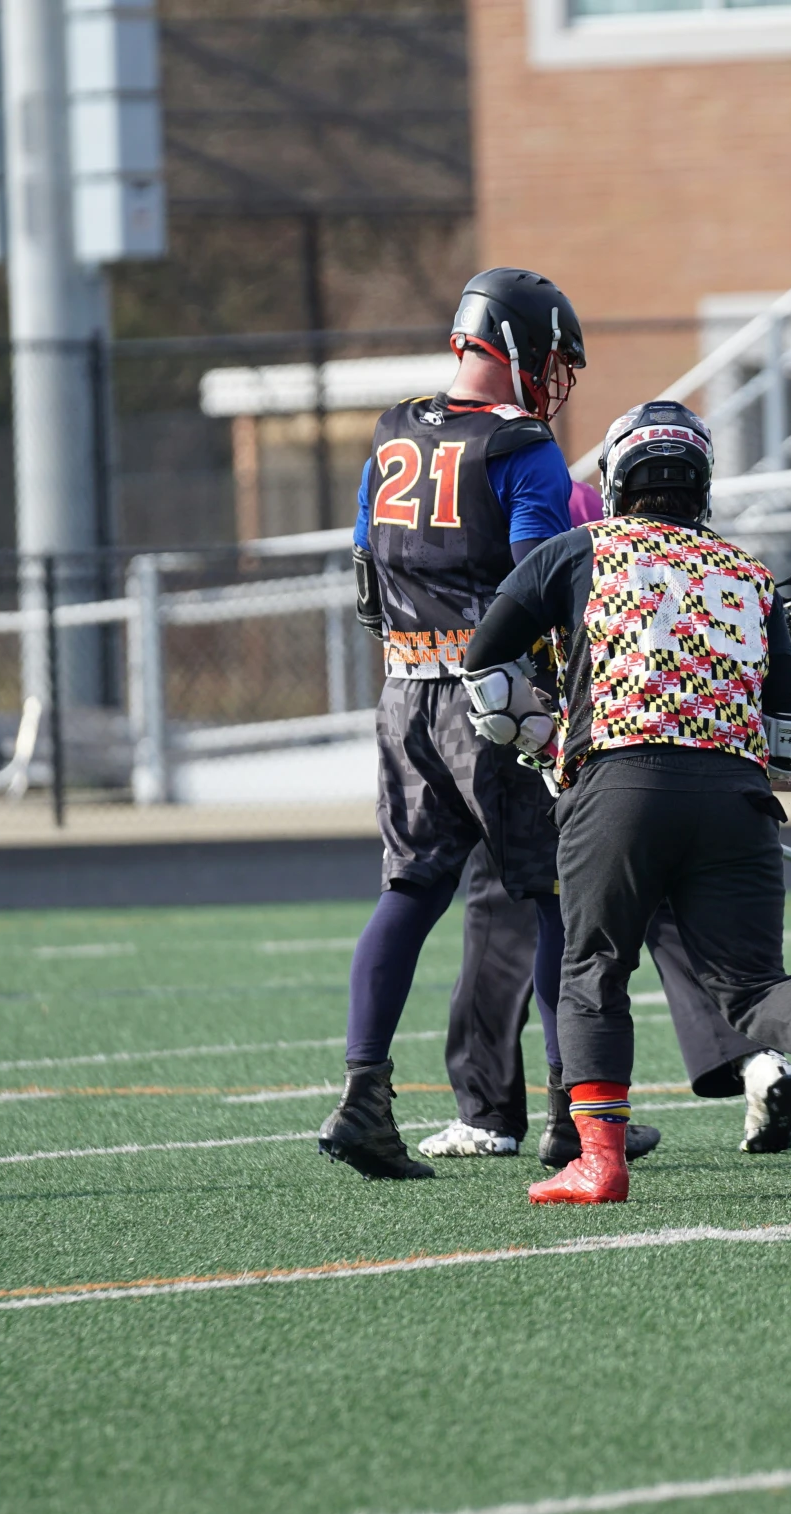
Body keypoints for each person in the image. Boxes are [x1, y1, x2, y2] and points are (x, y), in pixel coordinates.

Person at [458, 399, 791, 1205]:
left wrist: (537, 732)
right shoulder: (748, 573)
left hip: (618, 785)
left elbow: (484, 667)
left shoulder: (574, 550)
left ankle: (599, 1160)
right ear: (701, 481)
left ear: (616, 477)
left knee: (594, 965)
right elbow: (788, 735)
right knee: (749, 986)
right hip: (734, 798)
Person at [311, 266, 587, 1181]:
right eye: (544, 356)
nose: (550, 376)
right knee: (550, 895)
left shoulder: (393, 430)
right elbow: (539, 587)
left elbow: (364, 581)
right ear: (507, 348)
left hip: (401, 696)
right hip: (496, 700)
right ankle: (567, 1109)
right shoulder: (521, 448)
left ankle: (362, 1095)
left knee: (410, 891)